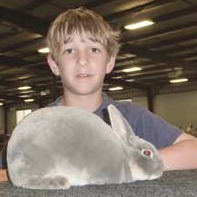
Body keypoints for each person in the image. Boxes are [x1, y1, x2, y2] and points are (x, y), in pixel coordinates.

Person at [1, 6, 197, 182]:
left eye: (94, 49)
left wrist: (130, 164)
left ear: (110, 62)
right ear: (54, 64)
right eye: (69, 51)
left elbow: (193, 150)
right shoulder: (38, 126)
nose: (82, 60)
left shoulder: (130, 117)